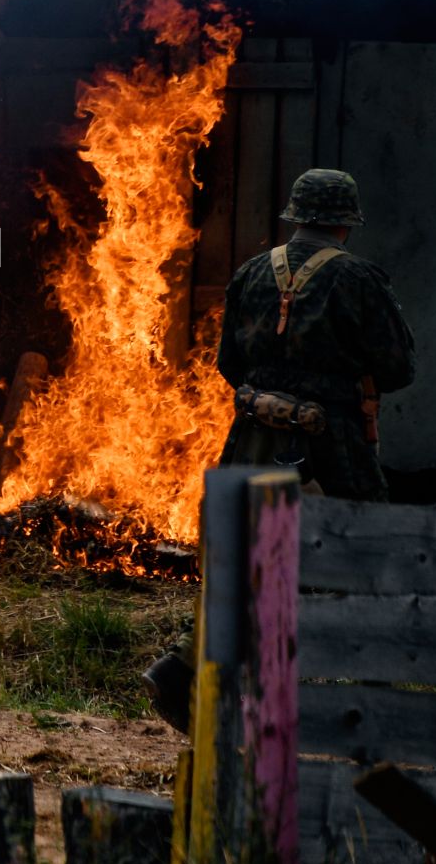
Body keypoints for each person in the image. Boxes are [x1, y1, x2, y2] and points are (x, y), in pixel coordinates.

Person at [143, 167, 416, 728]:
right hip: (330, 442)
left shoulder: (250, 273)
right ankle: (378, 692)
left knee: (241, 559)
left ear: (295, 217)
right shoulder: (358, 279)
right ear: (345, 223)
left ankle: (185, 670)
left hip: (252, 437)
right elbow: (398, 366)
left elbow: (228, 365)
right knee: (370, 554)